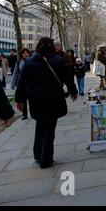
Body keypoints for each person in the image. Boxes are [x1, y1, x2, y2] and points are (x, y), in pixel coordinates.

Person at [15, 37, 78, 169]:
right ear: (51, 47)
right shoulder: (58, 61)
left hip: (36, 100)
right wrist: (73, 91)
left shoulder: (29, 62)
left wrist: (19, 100)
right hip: (53, 99)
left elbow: (21, 83)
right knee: (49, 129)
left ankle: (38, 155)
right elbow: (68, 78)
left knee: (39, 126)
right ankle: (46, 160)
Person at [11, 48, 31, 120]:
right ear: (21, 54)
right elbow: (15, 73)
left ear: (29, 53)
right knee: (23, 100)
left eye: (27, 53)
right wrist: (13, 84)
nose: (26, 54)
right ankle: (24, 115)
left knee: (32, 99)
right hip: (22, 83)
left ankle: (34, 113)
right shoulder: (19, 62)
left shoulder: (32, 61)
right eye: (24, 53)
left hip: (31, 83)